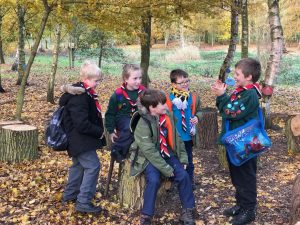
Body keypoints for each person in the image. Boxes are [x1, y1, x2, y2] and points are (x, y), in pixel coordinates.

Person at [130, 89, 196, 225]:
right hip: (149, 158)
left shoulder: (167, 117)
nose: (166, 106)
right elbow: (149, 151)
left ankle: (188, 211)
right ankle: (146, 216)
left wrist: (183, 159)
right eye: (163, 104)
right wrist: (166, 168)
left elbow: (178, 140)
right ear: (152, 108)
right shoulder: (142, 123)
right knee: (153, 180)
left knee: (183, 176)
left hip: (167, 154)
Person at [211, 58, 262, 225]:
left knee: (246, 176)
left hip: (245, 144)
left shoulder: (250, 94)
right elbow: (227, 109)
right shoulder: (241, 90)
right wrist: (222, 95)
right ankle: (241, 204)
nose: (235, 76)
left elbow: (230, 112)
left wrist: (221, 96)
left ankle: (249, 209)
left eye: (238, 73)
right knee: (237, 175)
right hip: (236, 142)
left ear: (248, 76)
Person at [59, 60, 106, 214]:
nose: (98, 83)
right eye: (95, 80)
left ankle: (70, 195)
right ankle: (83, 202)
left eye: (98, 80)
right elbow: (82, 124)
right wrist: (100, 132)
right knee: (93, 166)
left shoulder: (85, 92)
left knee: (78, 166)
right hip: (79, 139)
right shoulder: (79, 96)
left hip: (78, 139)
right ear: (86, 78)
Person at [166, 69, 202, 188]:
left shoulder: (193, 97)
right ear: (174, 84)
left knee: (189, 160)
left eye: (187, 81)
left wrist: (197, 117)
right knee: (176, 160)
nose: (185, 84)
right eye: (182, 82)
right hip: (175, 136)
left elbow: (199, 111)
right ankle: (176, 182)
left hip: (188, 135)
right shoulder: (168, 98)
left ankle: (190, 182)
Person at [105, 64, 145, 163]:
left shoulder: (143, 92)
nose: (138, 81)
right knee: (130, 127)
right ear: (125, 79)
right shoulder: (118, 94)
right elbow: (110, 113)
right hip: (122, 117)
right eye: (135, 78)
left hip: (139, 116)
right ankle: (117, 149)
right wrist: (110, 130)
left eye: (140, 78)